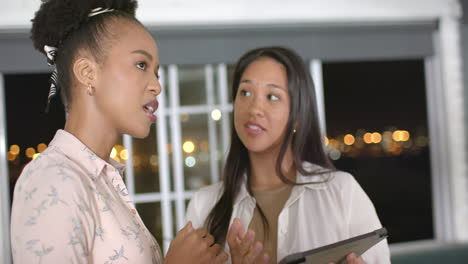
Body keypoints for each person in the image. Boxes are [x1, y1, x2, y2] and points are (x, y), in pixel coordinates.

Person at [10, 0, 227, 263]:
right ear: (87, 72)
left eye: (156, 72)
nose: (157, 86)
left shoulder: (102, 180)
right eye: (141, 65)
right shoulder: (54, 179)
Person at [185, 46, 391, 263]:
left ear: (297, 116)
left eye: (272, 96)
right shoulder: (204, 205)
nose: (254, 107)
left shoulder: (342, 192)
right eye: (245, 92)